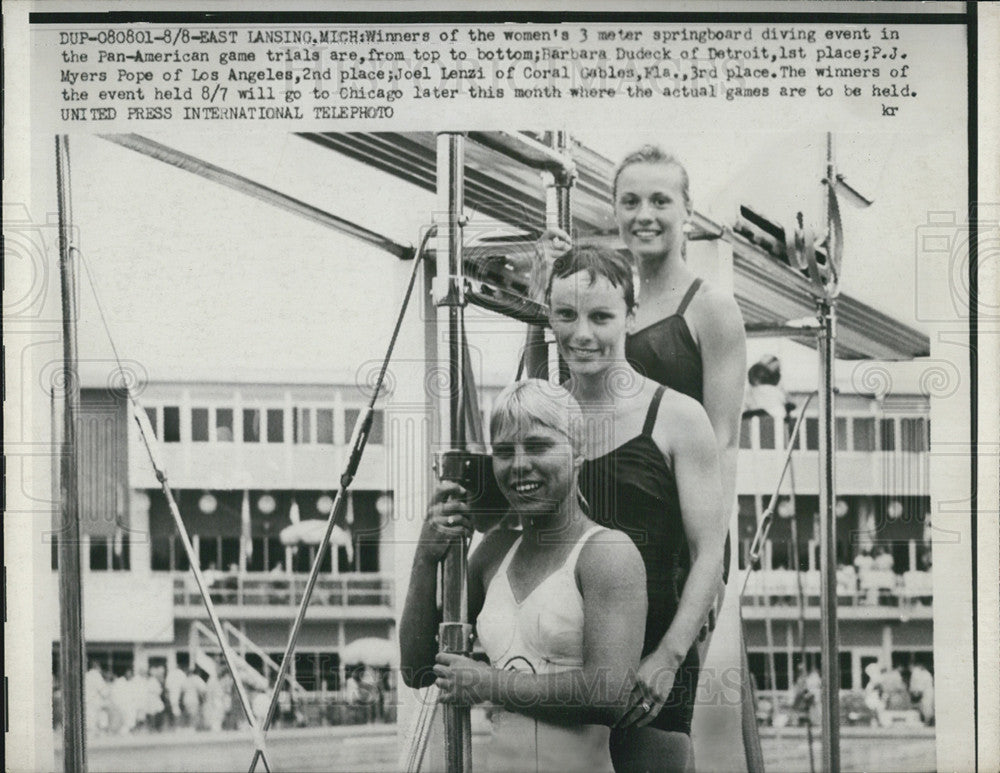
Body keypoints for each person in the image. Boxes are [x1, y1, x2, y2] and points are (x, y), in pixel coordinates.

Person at [544, 245, 729, 772]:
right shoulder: (542, 417)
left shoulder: (677, 417)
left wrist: (669, 656)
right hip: (562, 655)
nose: (581, 334)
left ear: (631, 315)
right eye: (566, 314)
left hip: (654, 660)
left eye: (601, 316)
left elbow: (709, 551)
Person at [400, 379, 647, 773]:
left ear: (578, 452)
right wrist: (426, 558)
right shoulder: (495, 550)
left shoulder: (606, 553)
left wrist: (487, 684)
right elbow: (418, 668)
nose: (518, 465)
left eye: (537, 446)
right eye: (503, 452)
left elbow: (609, 693)